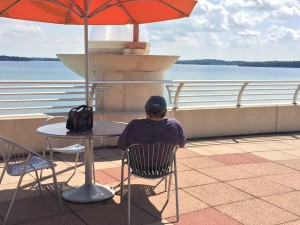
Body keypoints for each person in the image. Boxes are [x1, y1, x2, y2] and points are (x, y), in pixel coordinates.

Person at [117, 95, 186, 150]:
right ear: (165, 112)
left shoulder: (134, 125)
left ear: (146, 110)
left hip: (139, 165)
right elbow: (182, 144)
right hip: (164, 164)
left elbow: (121, 145)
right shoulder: (174, 125)